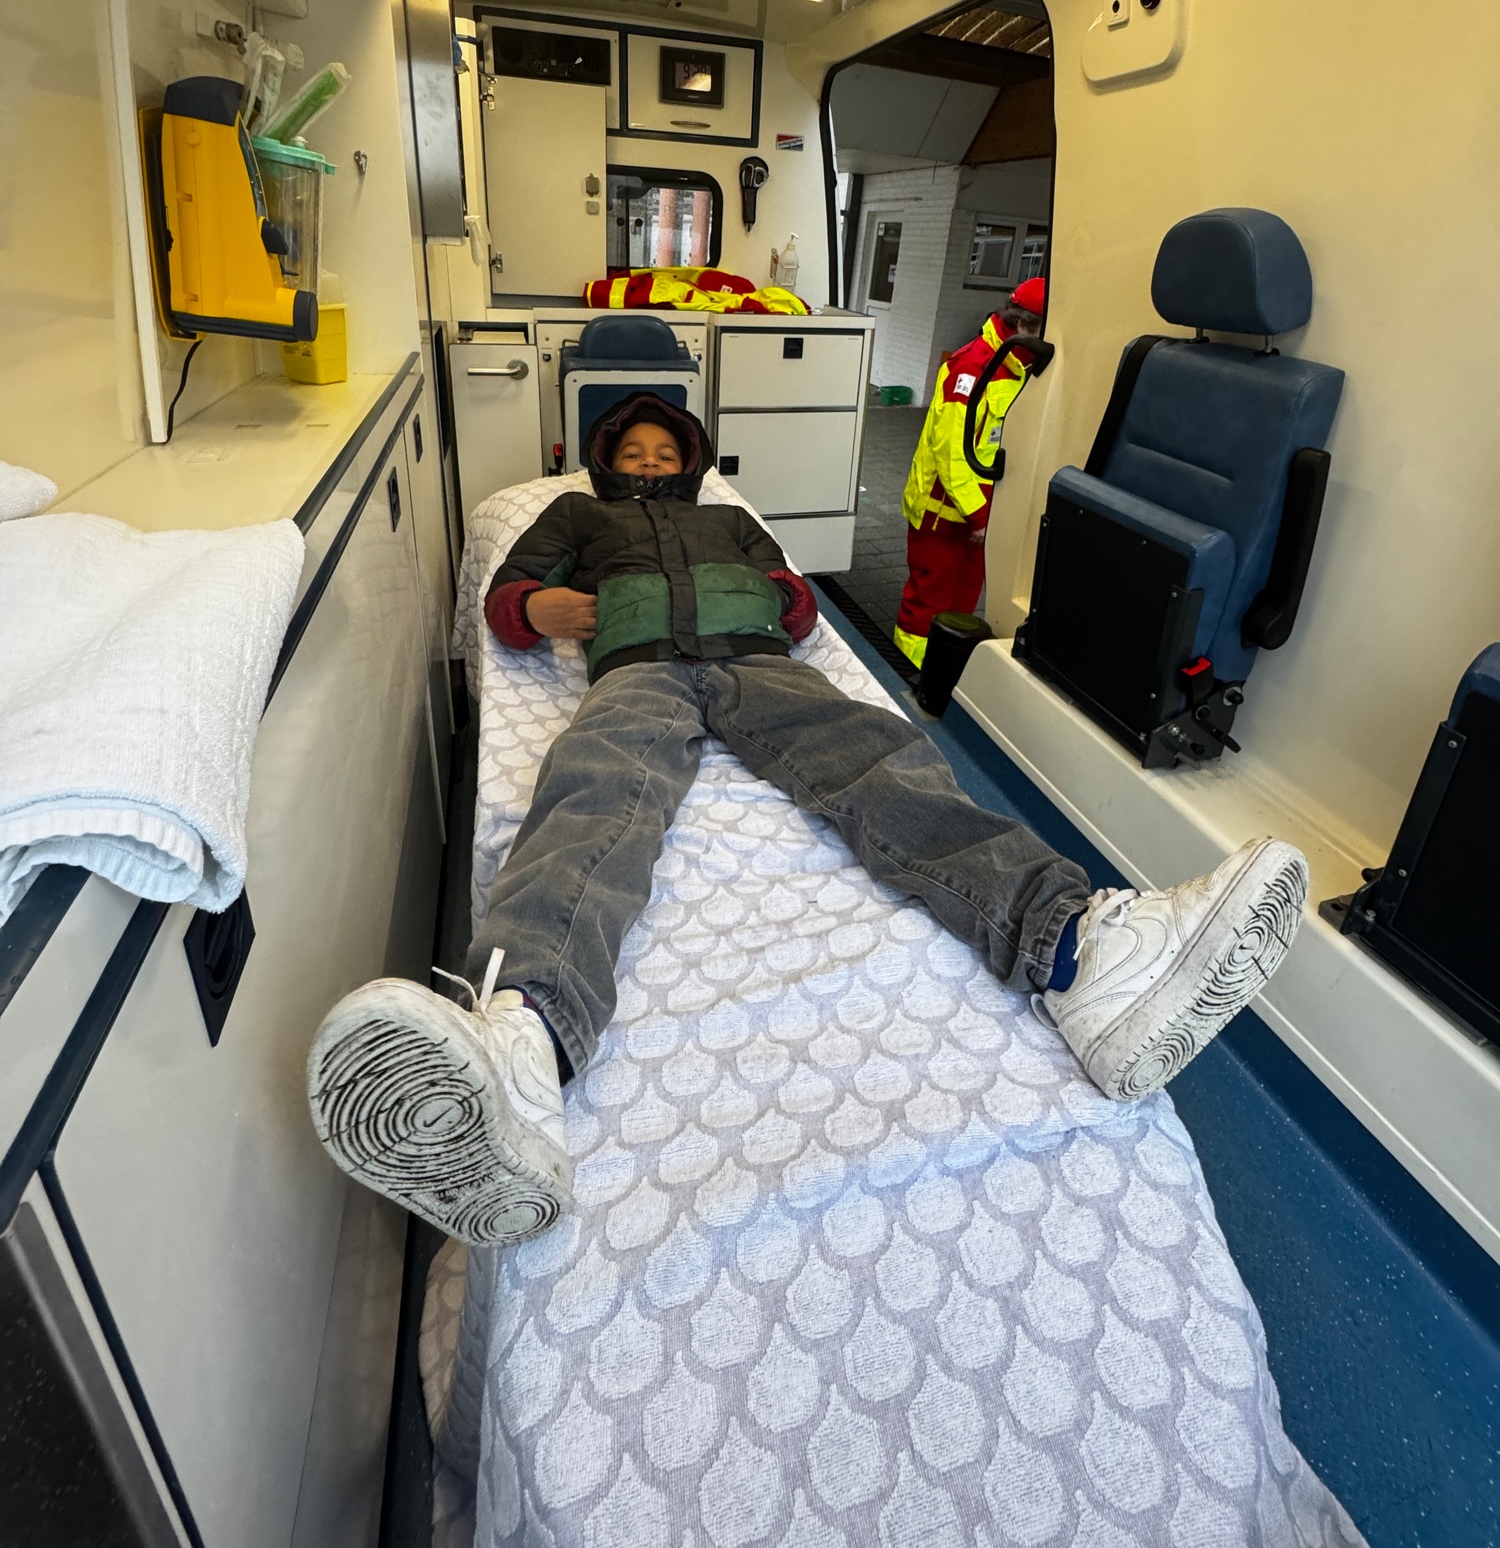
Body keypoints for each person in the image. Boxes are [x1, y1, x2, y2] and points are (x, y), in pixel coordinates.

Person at [306, 391, 1308, 1249]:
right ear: (606, 462)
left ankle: (1080, 955)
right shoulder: (575, 511)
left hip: (758, 662)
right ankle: (523, 1047)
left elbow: (796, 604)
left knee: (883, 762)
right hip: (638, 667)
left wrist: (778, 599)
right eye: (633, 452)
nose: (649, 462)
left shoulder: (727, 519)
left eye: (665, 452)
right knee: (594, 792)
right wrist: (542, 610)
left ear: (692, 463)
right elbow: (508, 600)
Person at [894, 275, 1046, 669]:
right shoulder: (973, 367)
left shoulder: (1017, 366)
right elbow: (951, 452)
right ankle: (905, 674)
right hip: (943, 513)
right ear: (1023, 325)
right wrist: (978, 514)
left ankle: (942, 671)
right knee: (926, 606)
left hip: (978, 515)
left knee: (962, 603)